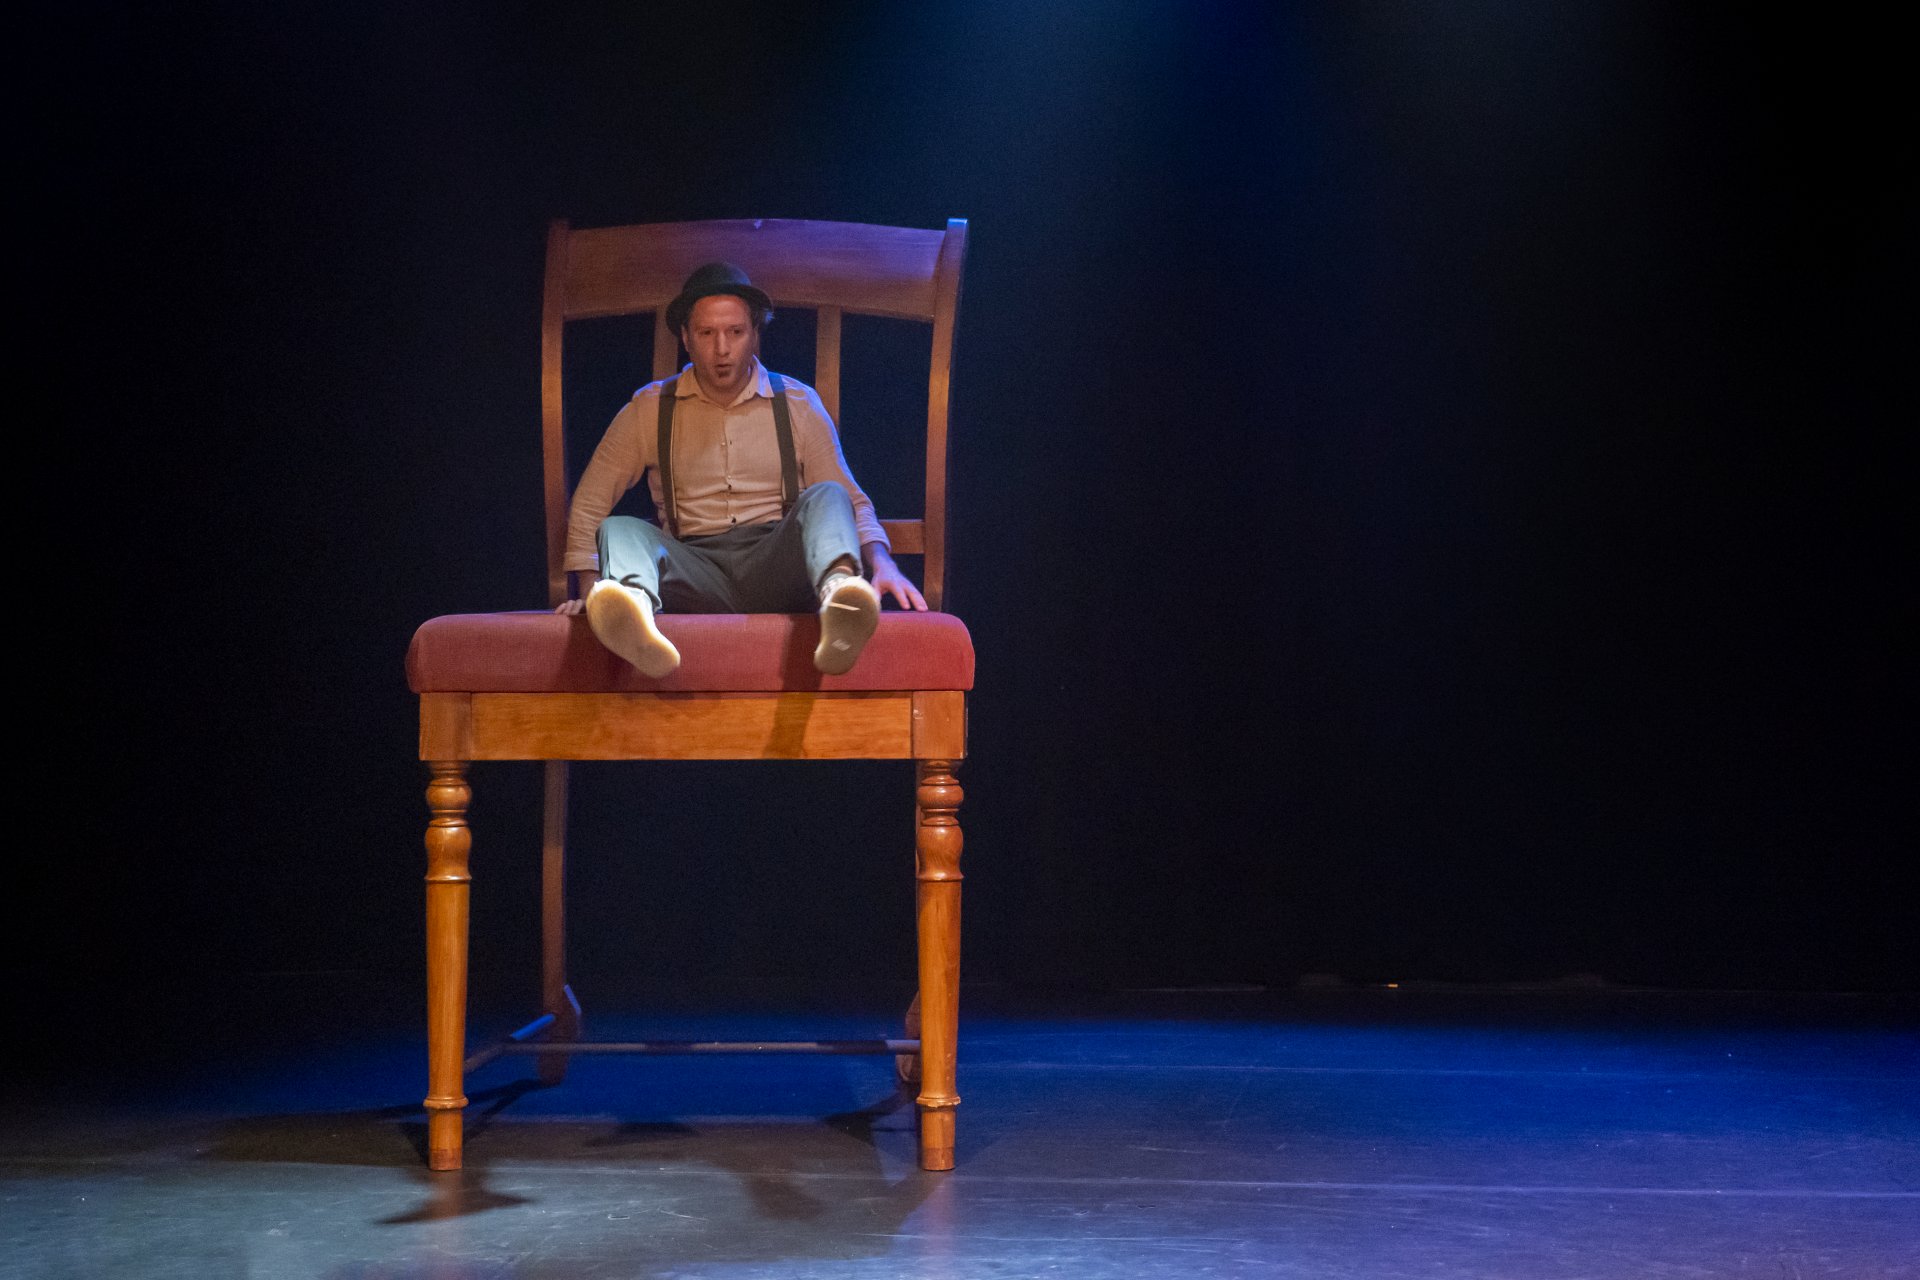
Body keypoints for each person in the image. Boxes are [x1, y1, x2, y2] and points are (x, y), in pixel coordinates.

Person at [554, 262, 926, 676]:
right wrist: (591, 591)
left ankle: (840, 599)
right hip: (693, 570)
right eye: (706, 333)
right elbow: (590, 503)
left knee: (828, 494)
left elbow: (849, 500)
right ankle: (632, 617)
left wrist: (883, 563)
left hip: (777, 565)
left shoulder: (797, 403)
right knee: (619, 528)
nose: (722, 349)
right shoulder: (650, 408)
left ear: (755, 334)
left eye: (735, 332)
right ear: (686, 338)